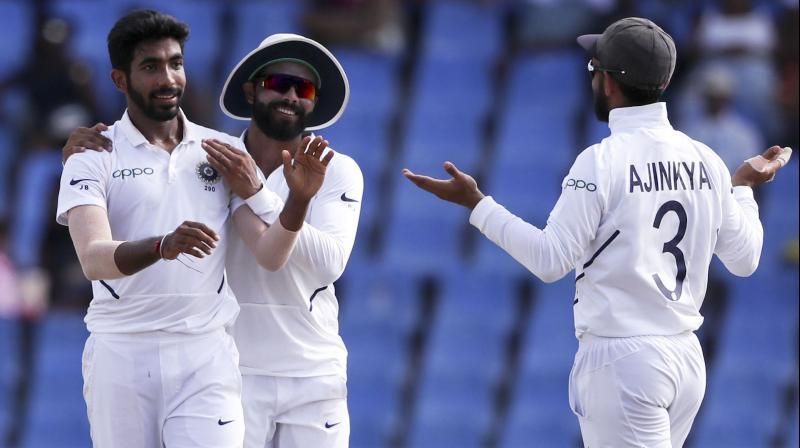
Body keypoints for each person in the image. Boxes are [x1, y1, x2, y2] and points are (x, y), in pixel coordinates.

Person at [403, 17, 792, 447]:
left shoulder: (601, 160)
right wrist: (742, 189)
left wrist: (477, 206)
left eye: (594, 70)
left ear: (608, 82)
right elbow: (745, 259)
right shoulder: (706, 159)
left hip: (623, 359)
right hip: (685, 360)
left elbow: (550, 261)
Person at [62, 33, 363, 448]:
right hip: (237, 371)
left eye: (304, 88)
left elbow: (329, 263)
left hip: (313, 370)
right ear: (251, 90)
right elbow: (146, 187)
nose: (291, 96)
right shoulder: (213, 157)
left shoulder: (335, 169)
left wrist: (264, 194)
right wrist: (87, 159)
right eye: (278, 83)